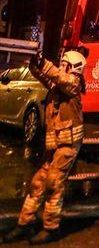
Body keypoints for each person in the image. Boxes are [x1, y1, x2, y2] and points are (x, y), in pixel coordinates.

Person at [2, 48, 86, 245]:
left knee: (54, 183)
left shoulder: (74, 84)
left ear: (74, 68)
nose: (61, 66)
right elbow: (47, 77)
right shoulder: (59, 86)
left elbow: (58, 77)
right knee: (38, 182)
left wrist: (44, 63)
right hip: (56, 144)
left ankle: (51, 228)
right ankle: (25, 224)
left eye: (65, 64)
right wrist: (34, 63)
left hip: (67, 145)